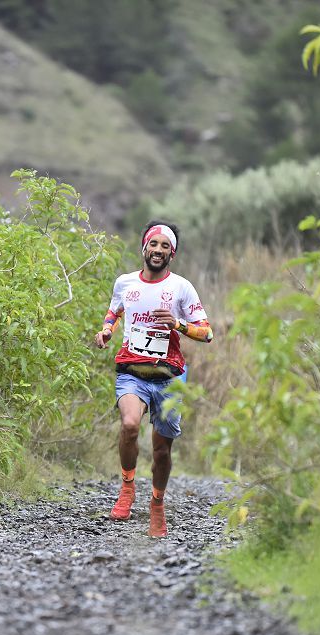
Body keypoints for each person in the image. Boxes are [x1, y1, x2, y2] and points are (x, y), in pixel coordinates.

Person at [94, 221, 214, 538]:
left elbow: (207, 332)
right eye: (154, 244)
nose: (158, 250)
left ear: (171, 254)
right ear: (144, 248)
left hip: (168, 376)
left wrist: (178, 325)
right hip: (132, 371)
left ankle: (157, 505)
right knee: (130, 425)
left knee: (162, 451)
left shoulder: (181, 288)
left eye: (165, 246)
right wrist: (107, 331)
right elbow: (114, 312)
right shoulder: (125, 283)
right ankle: (127, 486)